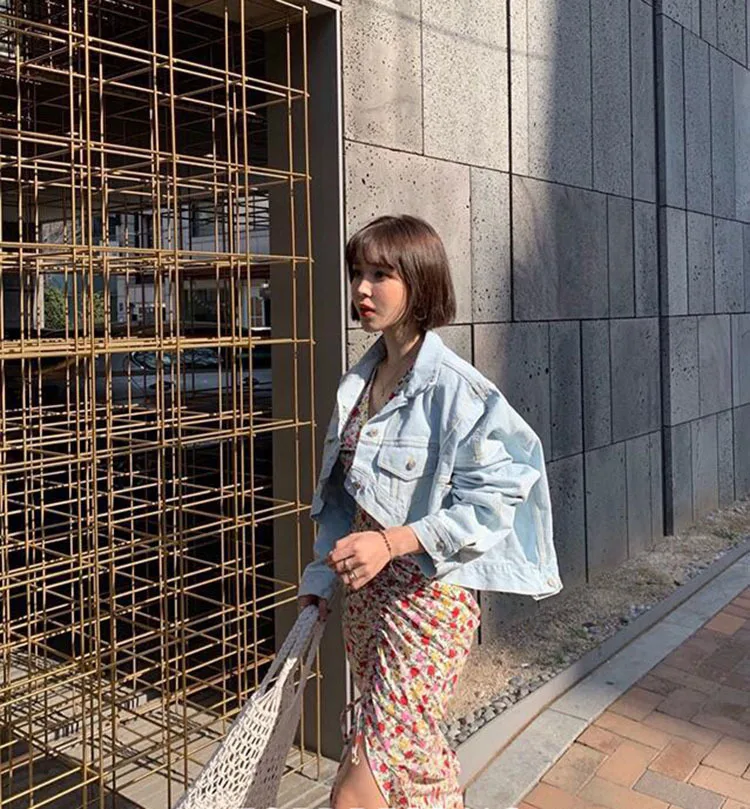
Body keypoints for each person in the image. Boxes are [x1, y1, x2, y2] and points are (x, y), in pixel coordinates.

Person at [298, 214, 561, 809]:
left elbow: (494, 499)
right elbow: (342, 502)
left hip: (426, 606)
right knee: (412, 768)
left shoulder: (458, 390)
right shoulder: (357, 386)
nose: (361, 289)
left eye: (380, 274)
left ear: (418, 281)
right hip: (365, 603)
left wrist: (393, 542)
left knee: (357, 790)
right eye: (357, 273)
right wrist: (320, 581)